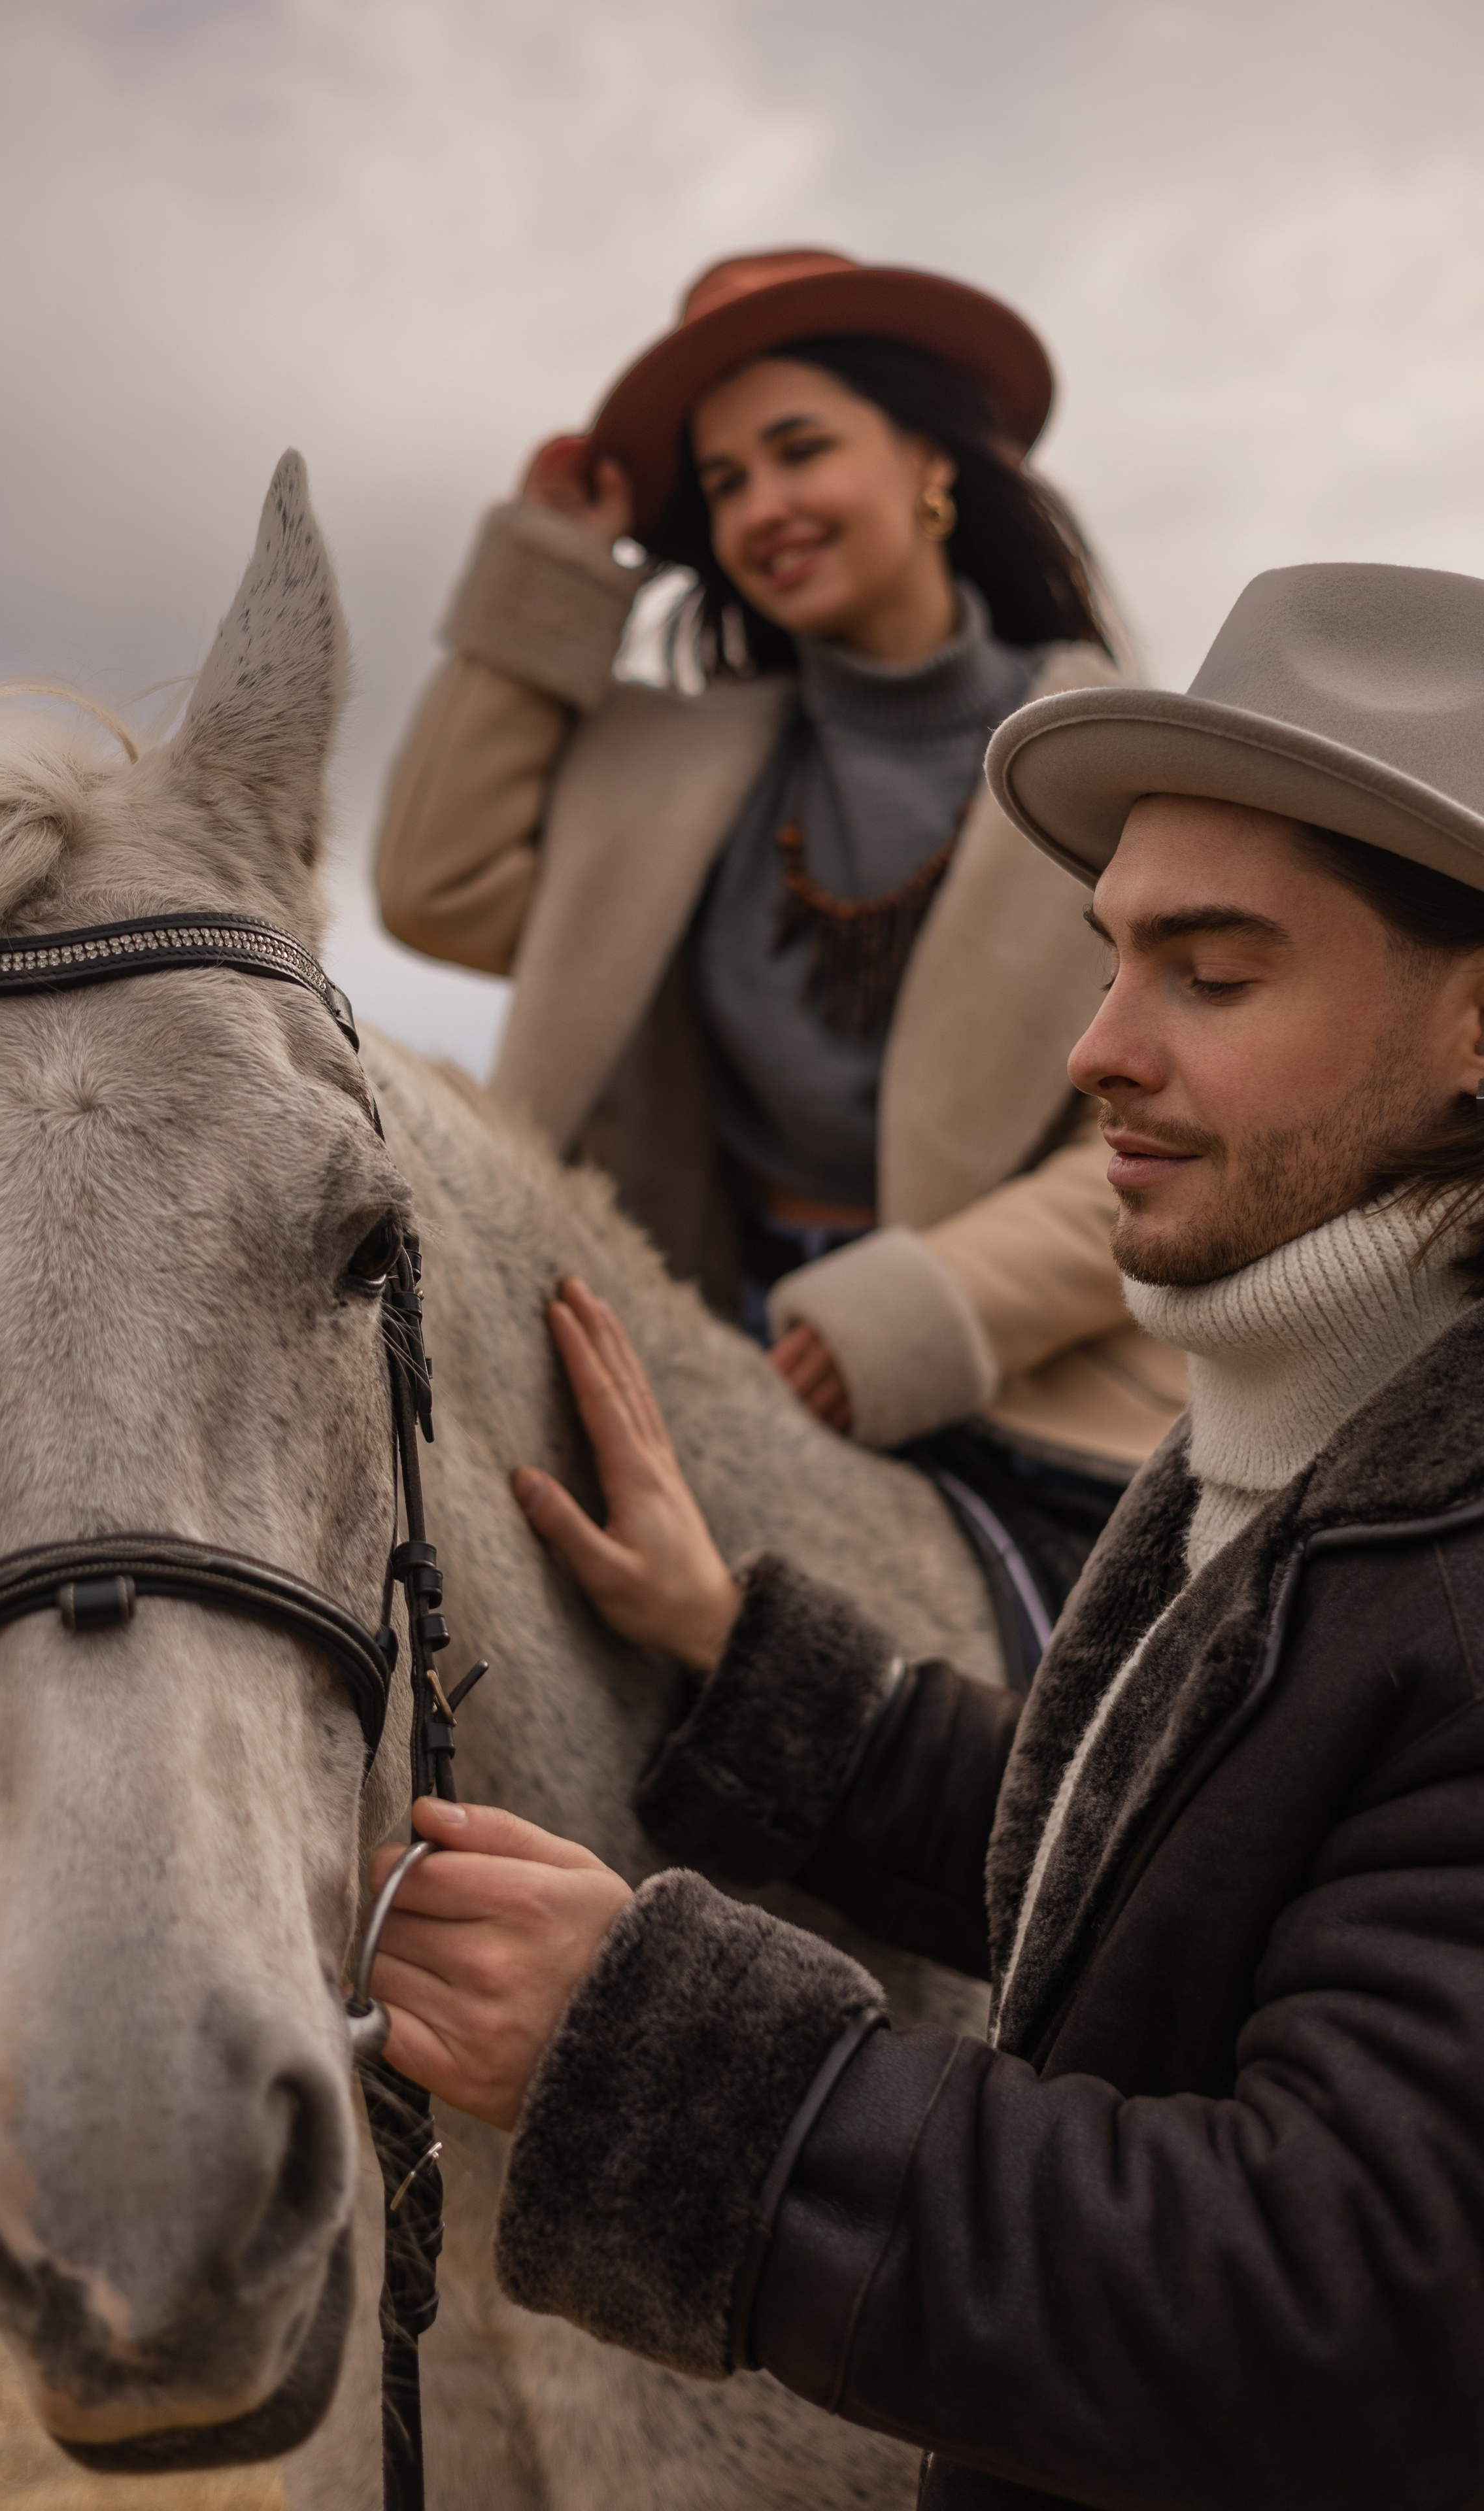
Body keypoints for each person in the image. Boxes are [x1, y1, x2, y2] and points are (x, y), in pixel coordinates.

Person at [367, 562, 1484, 2508]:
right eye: (1110, 958)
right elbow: (1167, 1876)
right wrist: (753, 1659)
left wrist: (652, 2054)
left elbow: (1350, 2302)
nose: (1098, 1049)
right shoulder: (1321, 1423)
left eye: (1212, 976)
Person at [375, 249, 1187, 1637]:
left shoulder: (1122, 762)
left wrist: (913, 1315)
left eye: (797, 449)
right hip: (679, 1349)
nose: (761, 507)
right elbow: (434, 886)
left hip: (1044, 1380)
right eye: (724, 482)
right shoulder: (656, 766)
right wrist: (555, 563)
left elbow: (1191, 1109)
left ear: (934, 461)